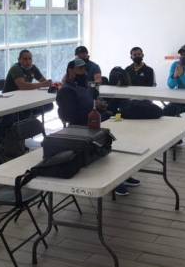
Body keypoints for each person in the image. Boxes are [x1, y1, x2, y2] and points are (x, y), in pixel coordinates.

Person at [57, 59, 139, 196]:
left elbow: (89, 102)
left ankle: (122, 175)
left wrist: (97, 105)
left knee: (124, 135)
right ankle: (113, 181)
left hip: (96, 121)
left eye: (85, 69)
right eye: (80, 69)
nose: (84, 72)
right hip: (81, 129)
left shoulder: (83, 86)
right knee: (113, 144)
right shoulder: (66, 90)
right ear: (70, 71)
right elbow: (69, 117)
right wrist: (93, 111)